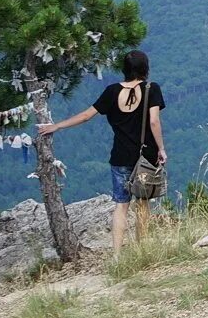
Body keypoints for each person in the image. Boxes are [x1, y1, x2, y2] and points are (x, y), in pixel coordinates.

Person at [37, 50, 167, 255]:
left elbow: (87, 115)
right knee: (143, 204)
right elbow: (153, 121)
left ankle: (116, 255)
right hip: (145, 157)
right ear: (145, 68)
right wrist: (161, 148)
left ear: (124, 69)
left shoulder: (112, 91)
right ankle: (143, 251)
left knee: (121, 206)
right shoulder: (152, 89)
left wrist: (58, 126)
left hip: (120, 156)